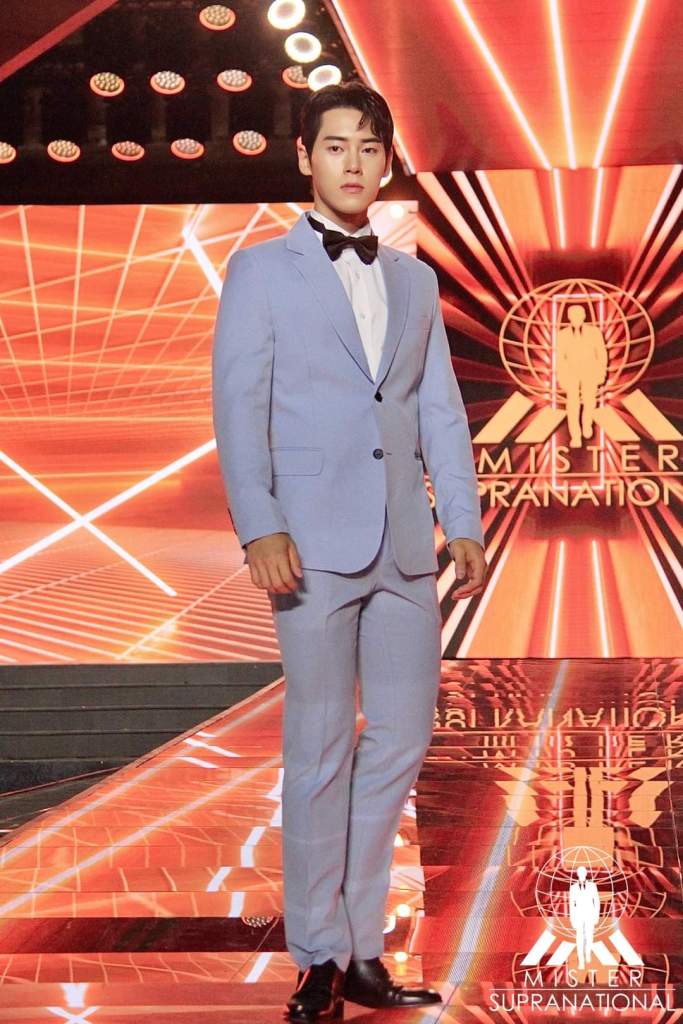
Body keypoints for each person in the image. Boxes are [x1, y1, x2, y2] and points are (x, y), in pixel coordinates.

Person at [212, 79, 486, 1022]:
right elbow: (238, 407)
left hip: (406, 546)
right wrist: (260, 524)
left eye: (370, 147)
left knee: (400, 743)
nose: (354, 163)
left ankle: (364, 949)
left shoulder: (414, 279)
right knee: (320, 750)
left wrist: (463, 521)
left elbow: (438, 411)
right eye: (336, 146)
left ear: (387, 160)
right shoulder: (260, 271)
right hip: (309, 546)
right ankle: (318, 958)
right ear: (305, 157)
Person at [556, 304, 608, 448]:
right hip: (571, 373)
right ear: (569, 317)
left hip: (589, 372)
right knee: (572, 405)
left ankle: (587, 425)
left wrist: (602, 372)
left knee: (589, 401)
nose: (576, 318)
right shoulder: (562, 334)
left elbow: (601, 353)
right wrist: (561, 377)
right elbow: (559, 357)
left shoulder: (594, 332)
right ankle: (575, 436)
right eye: (573, 315)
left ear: (584, 316)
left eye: (579, 315)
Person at [569, 866, 600, 970]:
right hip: (578, 916)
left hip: (589, 915)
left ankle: (588, 954)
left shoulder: (592, 886)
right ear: (577, 874)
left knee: (589, 936)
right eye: (580, 872)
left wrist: (596, 916)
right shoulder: (573, 888)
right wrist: (572, 919)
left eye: (583, 872)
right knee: (579, 938)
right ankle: (581, 961)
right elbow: (571, 904)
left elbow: (596, 902)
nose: (581, 874)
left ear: (586, 873)